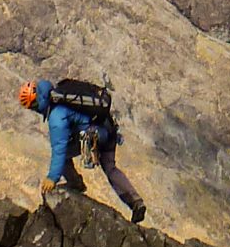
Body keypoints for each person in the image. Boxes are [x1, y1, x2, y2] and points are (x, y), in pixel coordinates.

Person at [19, 77, 146, 223]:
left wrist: (52, 178)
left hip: (93, 137)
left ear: (35, 104)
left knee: (65, 153)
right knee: (110, 169)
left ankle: (76, 184)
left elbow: (59, 149)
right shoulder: (61, 95)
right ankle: (137, 203)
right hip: (108, 129)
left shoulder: (56, 116)